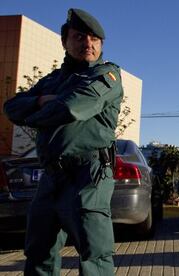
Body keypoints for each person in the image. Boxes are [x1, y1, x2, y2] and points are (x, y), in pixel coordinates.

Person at [3, 8, 123, 275]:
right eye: (80, 37)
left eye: (94, 39)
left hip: (88, 175)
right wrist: (39, 100)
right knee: (38, 252)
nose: (88, 44)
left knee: (94, 256)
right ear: (65, 41)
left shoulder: (106, 75)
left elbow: (72, 108)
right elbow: (11, 108)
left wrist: (33, 113)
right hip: (51, 177)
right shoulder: (51, 81)